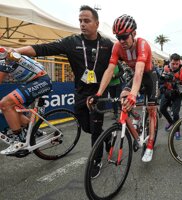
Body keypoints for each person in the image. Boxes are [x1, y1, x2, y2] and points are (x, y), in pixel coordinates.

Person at [14, 5, 114, 148]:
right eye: (80, 21)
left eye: (86, 21)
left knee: (96, 130)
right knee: (86, 127)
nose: (82, 24)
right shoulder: (72, 42)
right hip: (80, 93)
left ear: (97, 24)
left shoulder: (107, 44)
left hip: (99, 93)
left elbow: (123, 57)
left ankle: (95, 164)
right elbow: (43, 48)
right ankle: (107, 135)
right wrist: (16, 51)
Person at [94, 14, 159, 162]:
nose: (121, 41)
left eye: (124, 36)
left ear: (134, 33)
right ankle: (136, 128)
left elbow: (140, 71)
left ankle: (149, 145)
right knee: (123, 98)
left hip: (148, 76)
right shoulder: (117, 47)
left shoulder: (142, 44)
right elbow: (110, 70)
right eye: (118, 37)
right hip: (137, 76)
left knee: (151, 109)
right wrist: (98, 93)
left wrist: (134, 95)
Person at [0, 47, 52, 154]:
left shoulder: (4, 57)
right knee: (9, 109)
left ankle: (19, 140)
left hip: (41, 80)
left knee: (5, 104)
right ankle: (34, 131)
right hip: (31, 82)